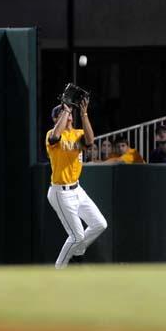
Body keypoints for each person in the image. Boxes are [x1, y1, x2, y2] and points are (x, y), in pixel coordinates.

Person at [45, 100, 107, 269]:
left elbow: (89, 141)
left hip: (77, 189)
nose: (68, 114)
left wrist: (84, 113)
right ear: (56, 118)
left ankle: (77, 252)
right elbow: (54, 138)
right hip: (60, 192)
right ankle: (59, 270)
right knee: (77, 236)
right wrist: (65, 111)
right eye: (63, 112)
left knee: (100, 224)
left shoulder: (77, 134)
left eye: (69, 112)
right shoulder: (53, 133)